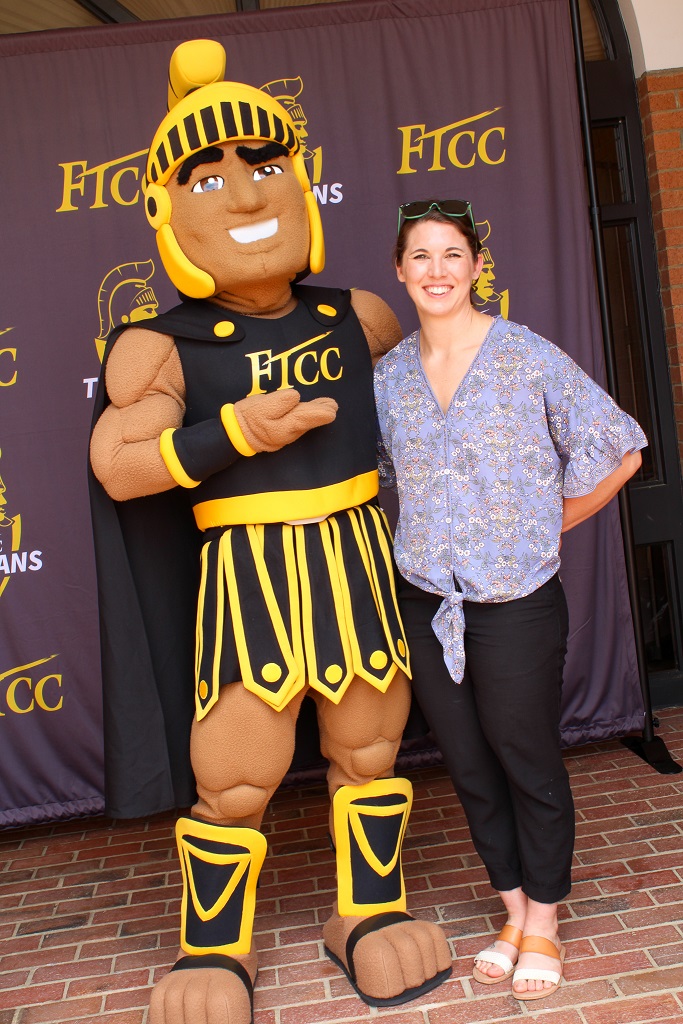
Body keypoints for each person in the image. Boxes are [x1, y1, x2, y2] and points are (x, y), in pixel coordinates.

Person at [89, 42, 452, 1024]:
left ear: (302, 180)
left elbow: (441, 397)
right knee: (235, 776)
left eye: (265, 165)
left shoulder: (358, 315)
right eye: (207, 178)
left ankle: (367, 912)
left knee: (369, 752)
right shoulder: (158, 345)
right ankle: (214, 946)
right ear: (164, 211)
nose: (247, 195)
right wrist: (235, 433)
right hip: (247, 580)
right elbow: (119, 463)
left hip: (353, 563)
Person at [374, 199, 646, 1002]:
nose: (436, 271)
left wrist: (540, 525)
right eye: (420, 256)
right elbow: (383, 485)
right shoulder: (386, 378)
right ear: (398, 270)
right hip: (427, 602)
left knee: (524, 759)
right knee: (466, 763)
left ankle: (546, 923)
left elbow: (620, 449)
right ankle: (514, 911)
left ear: (475, 266)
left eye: (451, 255)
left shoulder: (524, 356)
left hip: (516, 602)